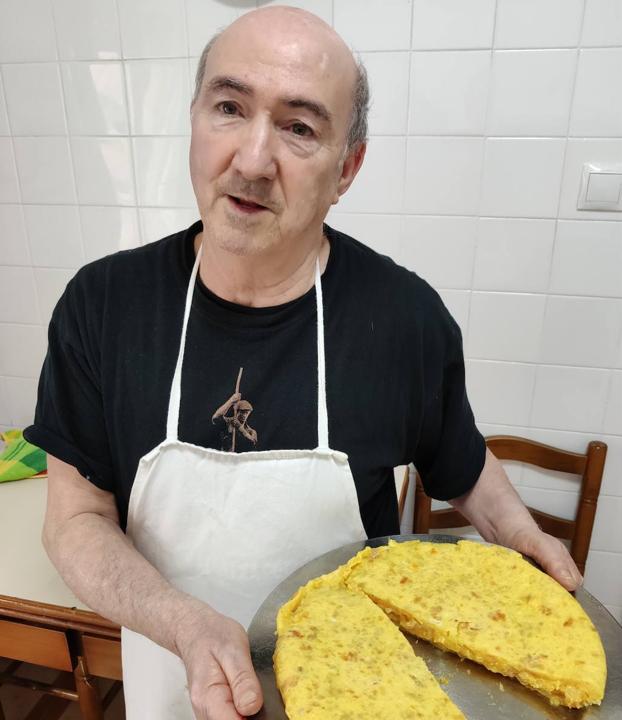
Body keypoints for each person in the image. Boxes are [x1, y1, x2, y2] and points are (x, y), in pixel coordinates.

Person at [25, 7, 583, 720]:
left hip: (359, 692)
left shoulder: (406, 321)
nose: (253, 160)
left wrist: (520, 536)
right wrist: (184, 624)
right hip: (170, 682)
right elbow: (73, 520)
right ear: (195, 119)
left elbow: (464, 469)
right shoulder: (100, 307)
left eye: (298, 128)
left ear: (346, 168)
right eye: (229, 107)